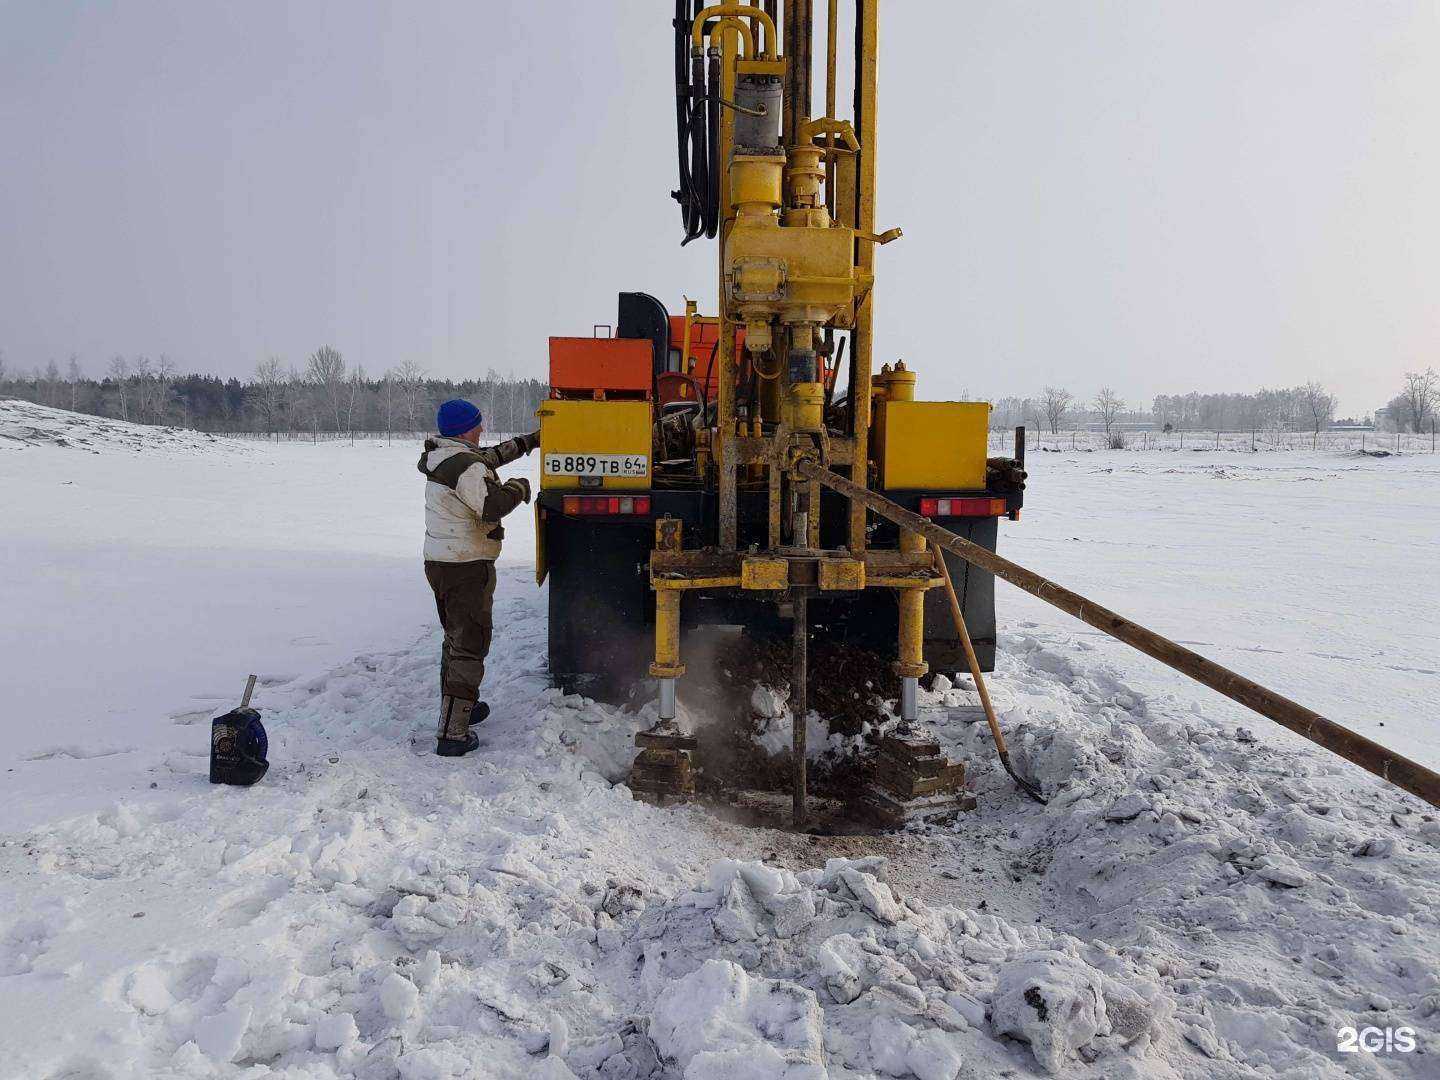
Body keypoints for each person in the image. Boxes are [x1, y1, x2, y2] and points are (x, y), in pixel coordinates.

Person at [418, 398, 539, 756]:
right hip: (466, 567)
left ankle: (457, 710)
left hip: (442, 563)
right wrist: (518, 487)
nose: (482, 428)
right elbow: (490, 507)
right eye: (478, 424)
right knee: (470, 643)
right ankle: (453, 733)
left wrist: (530, 442)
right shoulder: (466, 467)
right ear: (466, 428)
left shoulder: (447, 456)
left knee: (455, 638)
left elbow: (488, 458)